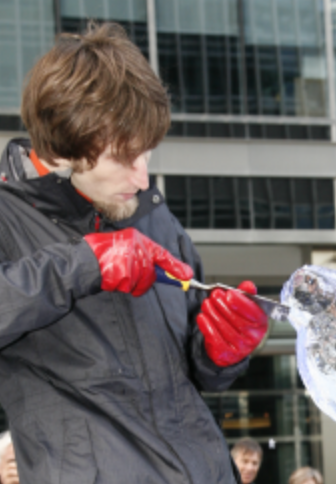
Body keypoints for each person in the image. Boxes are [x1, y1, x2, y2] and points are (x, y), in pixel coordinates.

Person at [0, 22, 268, 483]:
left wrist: (220, 353)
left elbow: (195, 374)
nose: (143, 178)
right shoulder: (7, 218)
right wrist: (82, 264)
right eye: (125, 158)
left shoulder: (155, 219)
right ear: (63, 150)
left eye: (147, 154)